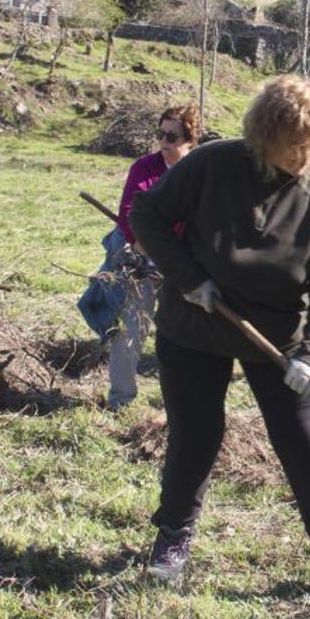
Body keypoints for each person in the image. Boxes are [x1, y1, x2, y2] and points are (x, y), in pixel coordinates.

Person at [130, 75, 310, 602]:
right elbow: (148, 214)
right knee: (196, 434)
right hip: (196, 324)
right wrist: (190, 280)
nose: (301, 156)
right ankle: (173, 538)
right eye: (290, 146)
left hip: (278, 337)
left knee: (305, 444)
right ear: (263, 136)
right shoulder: (213, 163)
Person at [105, 105, 199, 411]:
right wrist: (149, 248)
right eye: (160, 133)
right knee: (132, 329)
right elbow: (129, 215)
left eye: (173, 136)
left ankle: (183, 401)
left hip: (184, 269)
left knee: (182, 336)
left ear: (190, 140)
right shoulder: (144, 168)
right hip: (143, 263)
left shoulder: (199, 172)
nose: (164, 141)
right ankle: (121, 399)